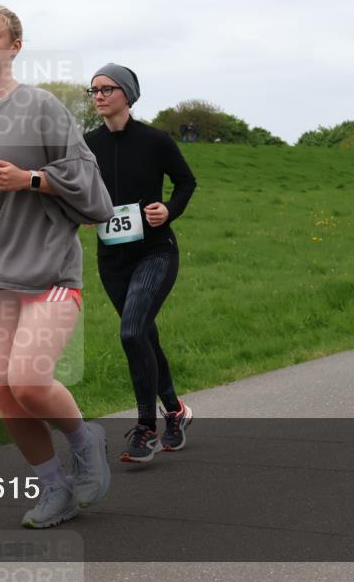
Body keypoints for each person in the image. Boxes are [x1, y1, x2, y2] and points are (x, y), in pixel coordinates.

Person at [0, 6, 114, 528]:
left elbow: (92, 192)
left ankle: (84, 439)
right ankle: (55, 489)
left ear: (15, 46)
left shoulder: (44, 108)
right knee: (5, 391)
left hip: (50, 272)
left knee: (29, 380)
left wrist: (31, 179)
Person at [84, 64, 197, 464]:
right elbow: (76, 191)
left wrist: (168, 210)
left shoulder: (155, 140)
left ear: (127, 95)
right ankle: (175, 411)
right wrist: (81, 211)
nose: (98, 96)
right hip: (111, 258)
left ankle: (146, 428)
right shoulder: (87, 144)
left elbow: (186, 182)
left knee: (132, 332)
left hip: (155, 252)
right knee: (143, 334)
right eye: (93, 90)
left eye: (107, 89)